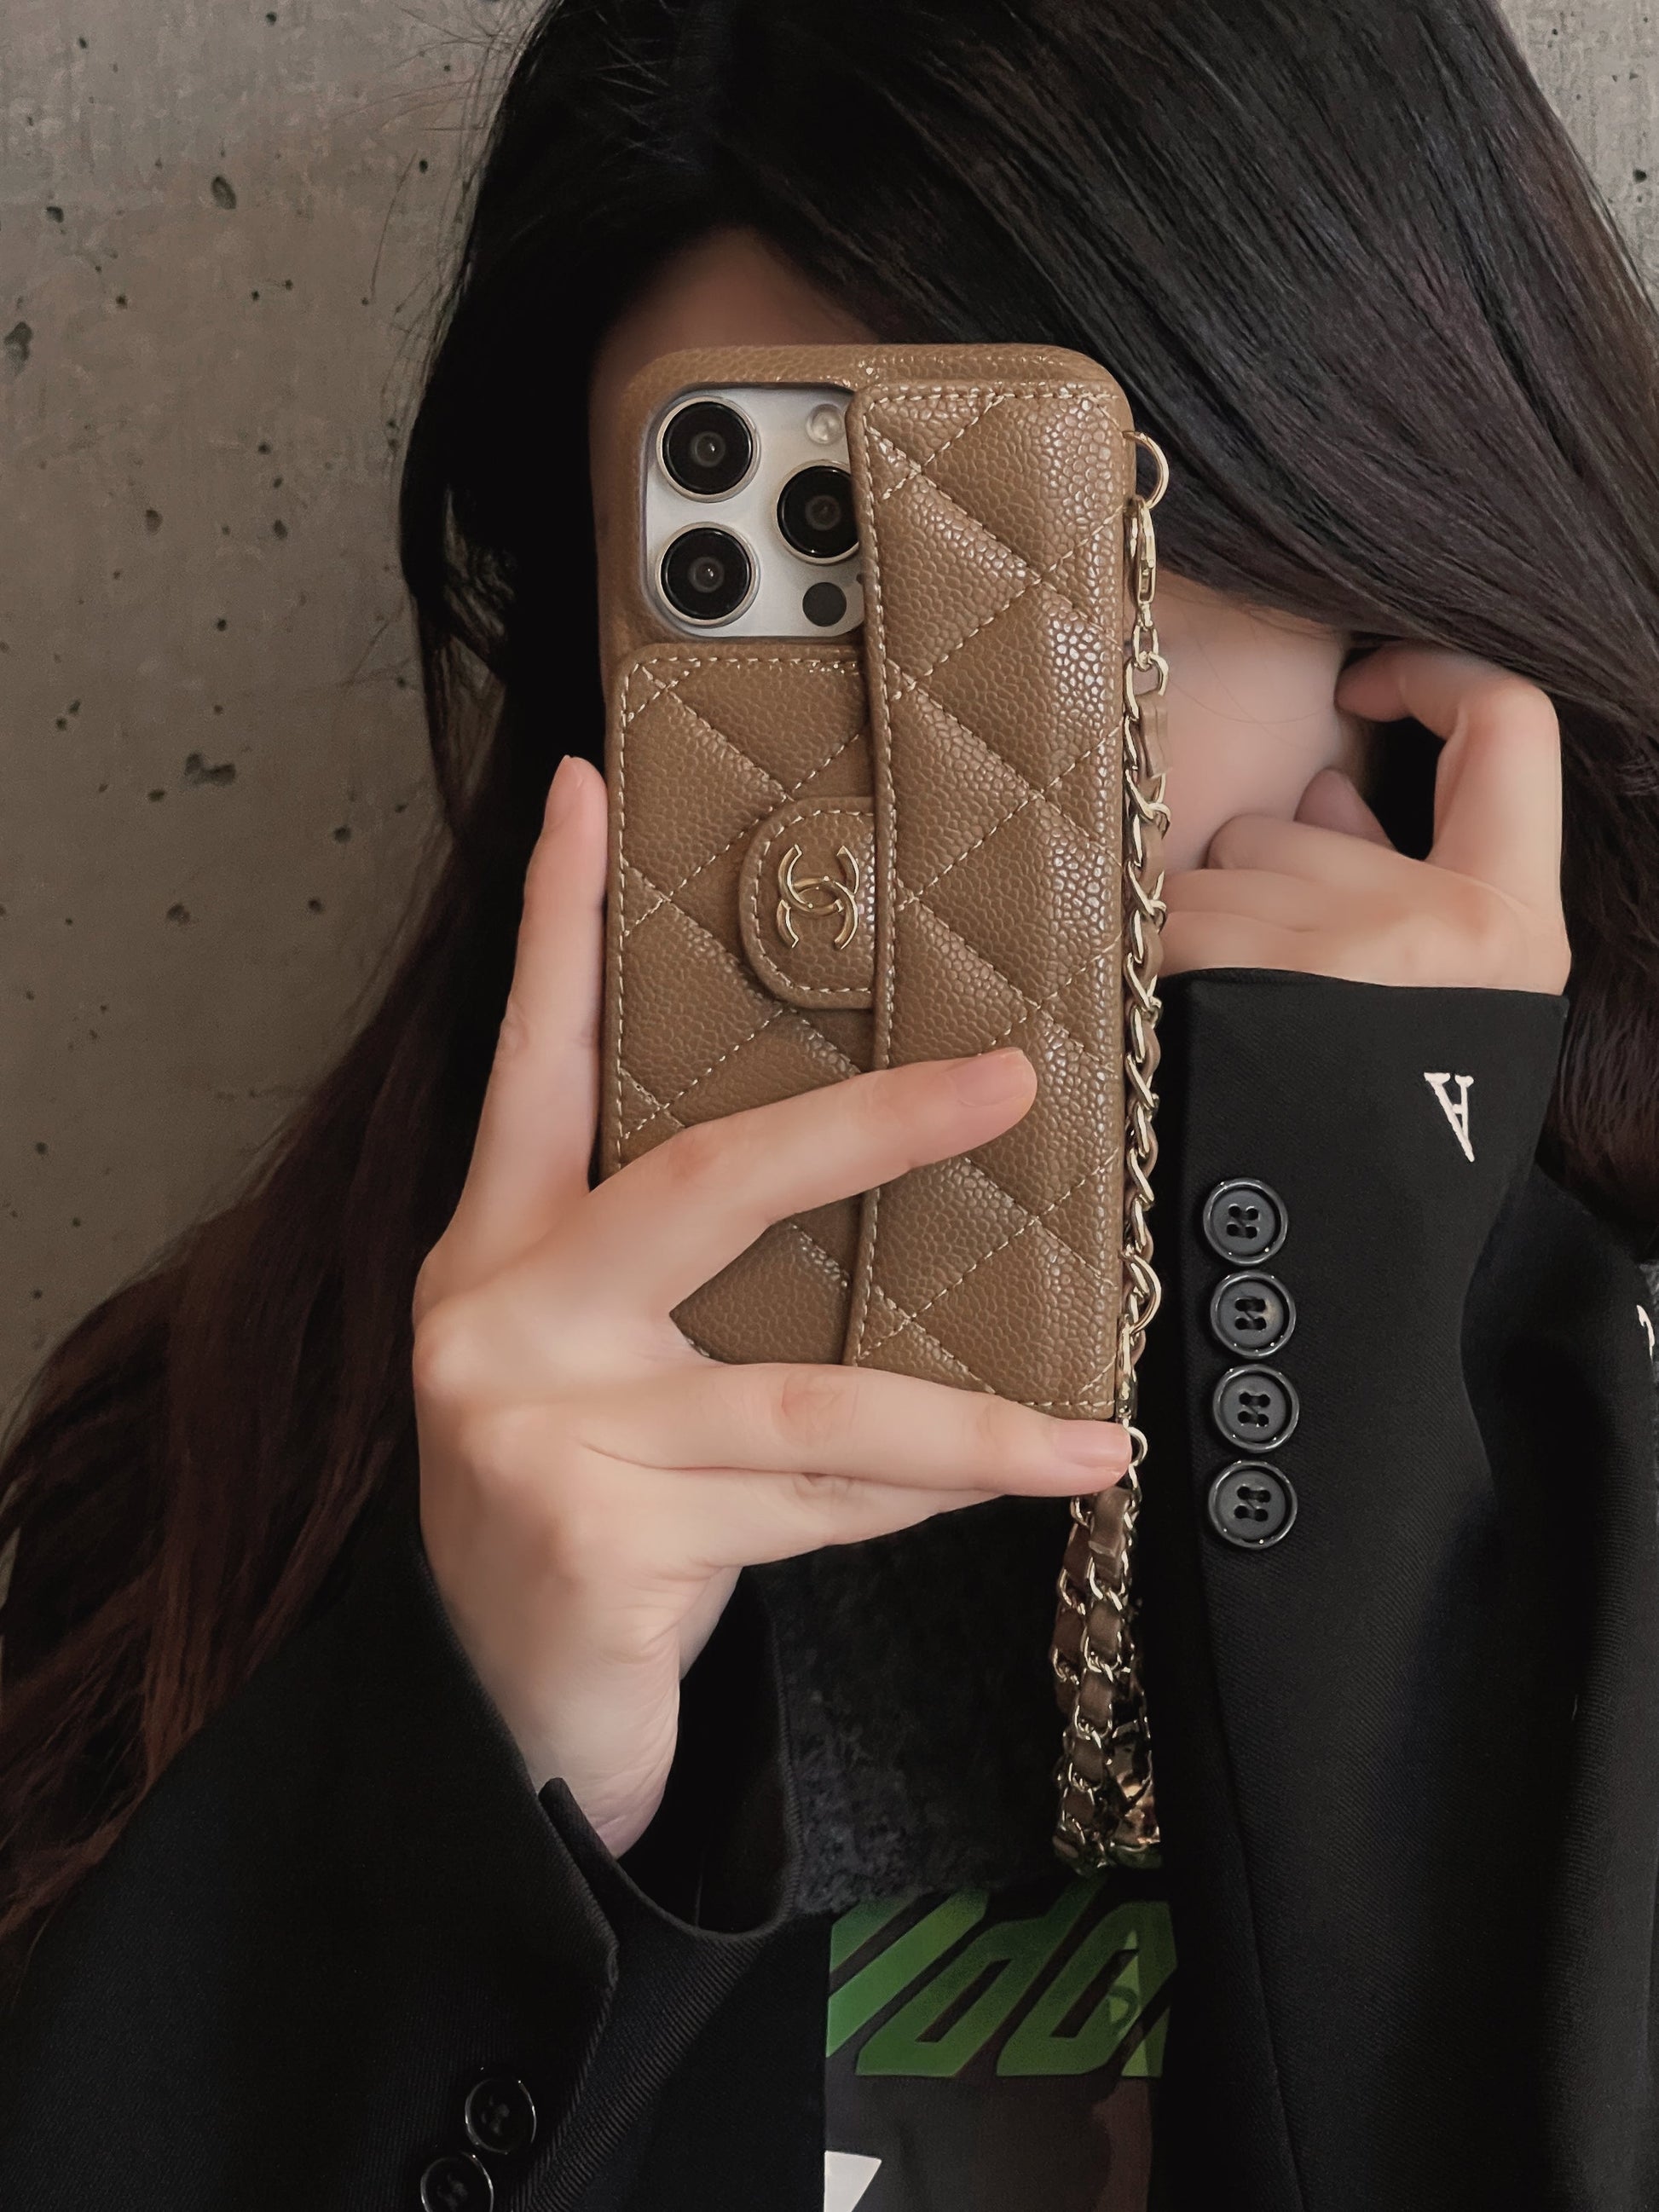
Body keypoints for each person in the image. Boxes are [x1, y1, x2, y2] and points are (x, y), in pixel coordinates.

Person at [3, 2, 1658, 2207]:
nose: (915, 800)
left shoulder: (1610, 1429)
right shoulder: (247, 1470)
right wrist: (465, 1790)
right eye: (774, 601)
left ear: (1413, 579)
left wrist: (1368, 1347)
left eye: (1055, 554)